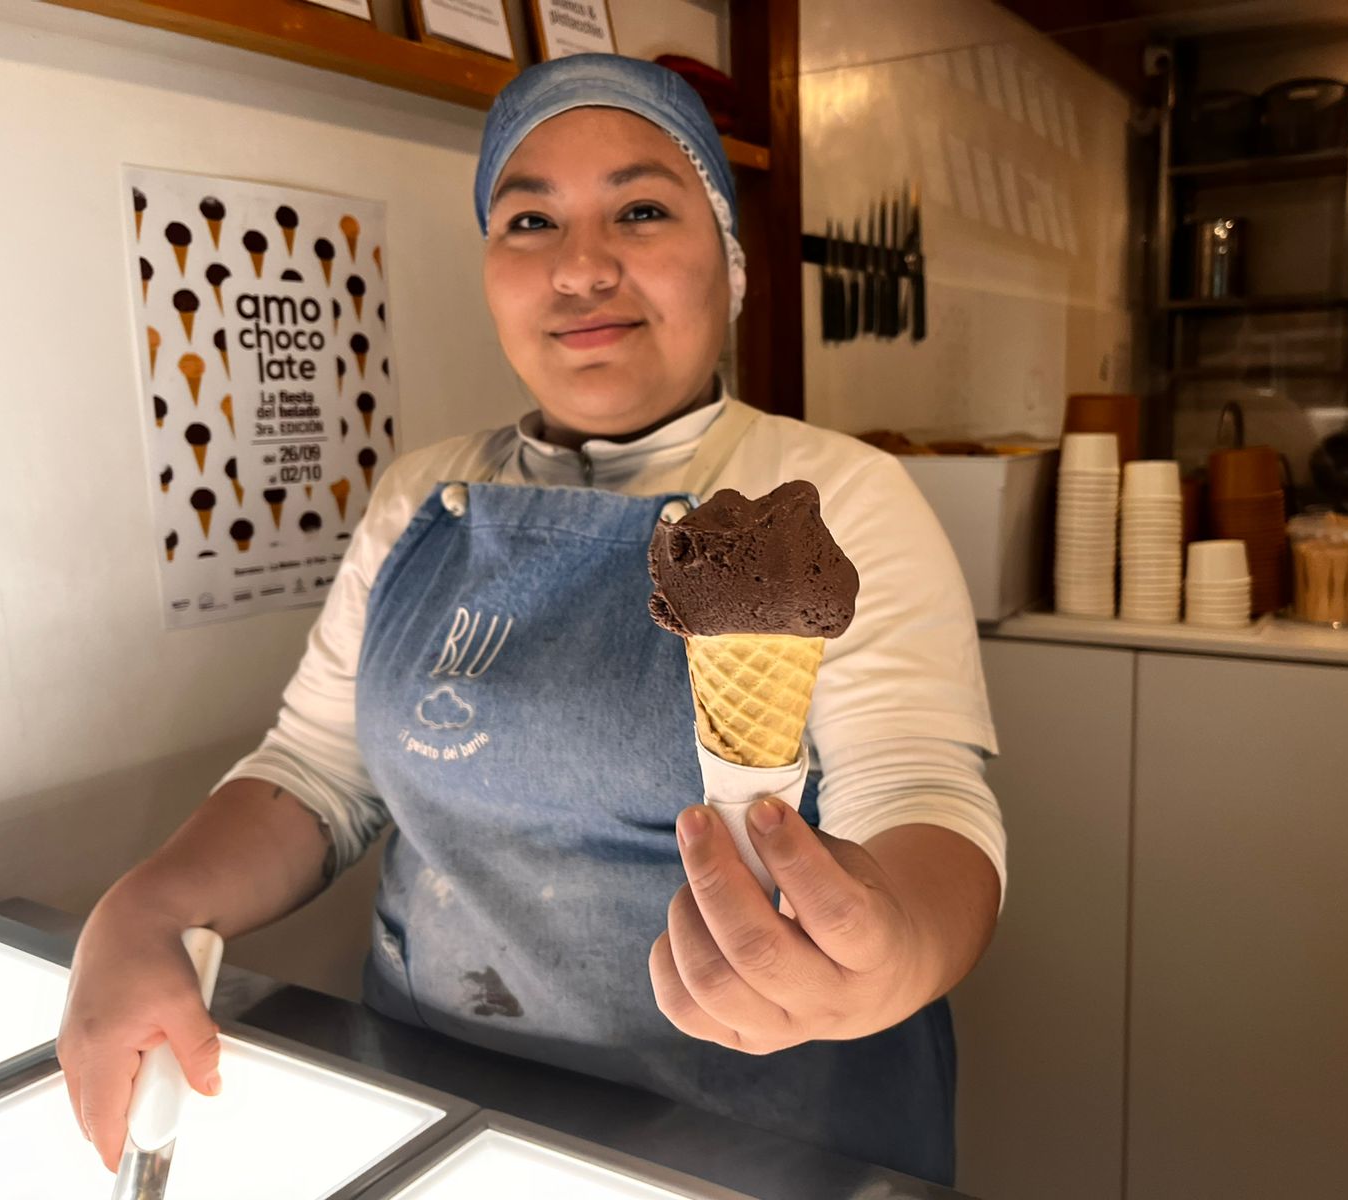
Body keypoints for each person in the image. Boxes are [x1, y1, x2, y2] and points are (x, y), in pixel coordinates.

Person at [58, 54, 1005, 1186]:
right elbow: (317, 772)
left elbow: (920, 795)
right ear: (492, 268)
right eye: (529, 220)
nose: (582, 267)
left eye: (642, 210)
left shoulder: (830, 496)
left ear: (733, 266)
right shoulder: (419, 497)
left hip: (755, 1134)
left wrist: (891, 948)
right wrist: (148, 904)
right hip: (449, 1112)